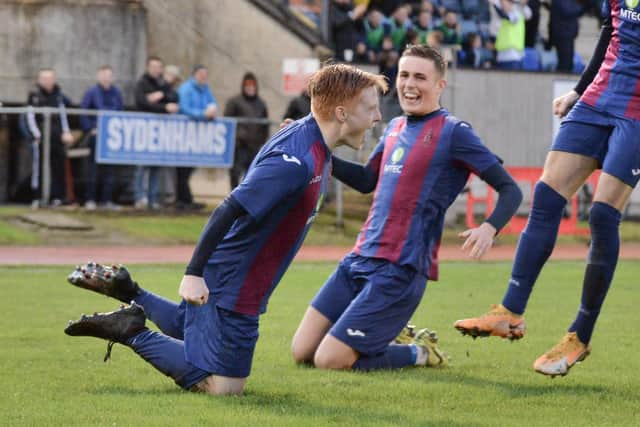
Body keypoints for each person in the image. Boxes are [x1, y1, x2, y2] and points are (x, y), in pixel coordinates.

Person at [63, 64, 388, 396]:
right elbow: (229, 207)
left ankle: (130, 291)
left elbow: (365, 181)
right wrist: (193, 272)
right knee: (224, 386)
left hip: (234, 275)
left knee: (188, 327)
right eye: (371, 107)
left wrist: (394, 138)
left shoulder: (313, 142)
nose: (378, 116)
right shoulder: (297, 160)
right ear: (341, 113)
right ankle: (131, 331)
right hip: (237, 283)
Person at [290, 45, 522, 372]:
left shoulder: (454, 132)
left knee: (330, 360)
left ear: (440, 85)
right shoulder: (395, 127)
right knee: (301, 351)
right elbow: (367, 179)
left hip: (400, 269)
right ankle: (382, 334)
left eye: (420, 77)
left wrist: (489, 227)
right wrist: (318, 147)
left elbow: (509, 189)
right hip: (359, 258)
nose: (409, 84)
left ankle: (419, 352)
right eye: (403, 75)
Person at [455, 0, 640, 377]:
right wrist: (578, 90)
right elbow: (610, 33)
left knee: (603, 216)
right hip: (598, 97)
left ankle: (580, 336)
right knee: (546, 196)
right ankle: (510, 311)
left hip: (637, 113)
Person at [133, 56, 179, 210]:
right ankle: (139, 197)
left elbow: (173, 98)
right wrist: (162, 106)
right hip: (144, 131)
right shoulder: (142, 83)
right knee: (141, 165)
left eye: (159, 67)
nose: (156, 70)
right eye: (153, 66)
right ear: (148, 67)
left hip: (160, 132)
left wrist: (158, 97)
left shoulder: (162, 84)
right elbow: (142, 102)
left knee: (156, 166)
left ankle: (152, 199)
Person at [24, 68, 74, 207]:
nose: (47, 81)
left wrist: (66, 132)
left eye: (50, 78)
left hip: (57, 138)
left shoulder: (59, 96)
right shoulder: (34, 96)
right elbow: (30, 117)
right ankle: (37, 197)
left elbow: (63, 116)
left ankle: (58, 197)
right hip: (41, 139)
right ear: (39, 80)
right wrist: (36, 135)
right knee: (39, 168)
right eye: (44, 78)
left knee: (58, 167)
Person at [79, 65, 124, 211]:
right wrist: (91, 129)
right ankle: (90, 199)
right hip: (96, 136)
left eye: (108, 75)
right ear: (98, 76)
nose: (106, 78)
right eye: (103, 75)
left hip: (111, 138)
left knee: (110, 170)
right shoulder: (92, 92)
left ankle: (107, 200)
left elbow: (120, 112)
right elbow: (84, 112)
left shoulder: (116, 93)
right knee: (92, 169)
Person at [176, 65, 217, 208]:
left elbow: (212, 104)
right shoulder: (186, 89)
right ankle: (182, 199)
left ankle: (186, 198)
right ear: (194, 75)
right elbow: (184, 108)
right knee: (182, 168)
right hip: (183, 134)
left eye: (205, 74)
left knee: (189, 167)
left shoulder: (206, 89)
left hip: (197, 137)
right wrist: (203, 115)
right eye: (201, 74)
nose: (204, 77)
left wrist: (212, 112)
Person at [223, 72, 269, 190]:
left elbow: (265, 124)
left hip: (255, 146)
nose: (250, 89)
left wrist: (263, 142)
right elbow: (227, 122)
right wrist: (236, 138)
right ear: (243, 87)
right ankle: (233, 198)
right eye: (248, 86)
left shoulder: (261, 104)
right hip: (239, 146)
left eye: (253, 86)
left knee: (252, 175)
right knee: (235, 173)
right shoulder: (234, 102)